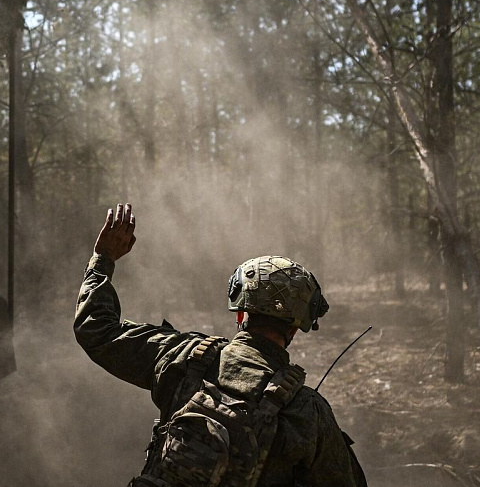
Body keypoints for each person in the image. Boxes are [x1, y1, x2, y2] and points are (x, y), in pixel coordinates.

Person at [74, 203, 367, 487]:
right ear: (294, 328)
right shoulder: (308, 411)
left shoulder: (186, 356)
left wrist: (104, 258)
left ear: (241, 313)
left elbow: (97, 330)